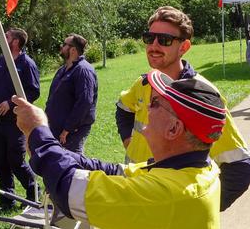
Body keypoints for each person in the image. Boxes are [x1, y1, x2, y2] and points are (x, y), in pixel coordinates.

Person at [13, 69, 226, 228]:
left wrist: (37, 129)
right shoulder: (197, 171)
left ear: (173, 129)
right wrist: (49, 148)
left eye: (155, 103)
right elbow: (117, 172)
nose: (146, 109)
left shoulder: (166, 194)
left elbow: (69, 190)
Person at [116, 6, 250, 211]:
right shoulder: (144, 83)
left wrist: (194, 209)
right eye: (149, 38)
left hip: (166, 210)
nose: (154, 45)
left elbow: (241, 168)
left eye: (164, 40)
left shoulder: (201, 97)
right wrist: (129, 142)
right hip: (136, 195)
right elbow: (123, 108)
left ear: (184, 46)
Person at [0, 28, 40, 209]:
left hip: (17, 122)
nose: (2, 38)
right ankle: (7, 199)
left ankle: (33, 196)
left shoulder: (26, 64)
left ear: (15, 42)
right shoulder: (0, 60)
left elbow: (33, 91)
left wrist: (11, 103)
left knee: (16, 160)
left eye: (6, 36)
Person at [44, 33, 98, 153]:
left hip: (72, 132)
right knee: (57, 163)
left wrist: (67, 129)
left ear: (73, 50)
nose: (61, 47)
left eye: (64, 44)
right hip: (56, 127)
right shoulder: (63, 69)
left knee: (73, 164)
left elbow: (84, 102)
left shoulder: (83, 70)